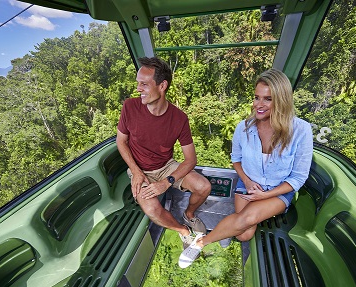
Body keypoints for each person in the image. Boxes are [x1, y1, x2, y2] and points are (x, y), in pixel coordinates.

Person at [178, 68, 313, 268]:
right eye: (256, 97)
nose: (259, 105)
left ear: (281, 100)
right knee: (245, 233)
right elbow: (236, 160)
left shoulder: (301, 130)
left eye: (267, 99)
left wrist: (264, 197)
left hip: (278, 191)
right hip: (248, 183)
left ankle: (201, 242)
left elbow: (298, 179)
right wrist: (248, 182)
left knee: (247, 218)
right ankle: (234, 227)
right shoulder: (244, 127)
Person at [116, 56, 212, 249]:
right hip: (139, 169)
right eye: (138, 83)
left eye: (144, 84)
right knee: (152, 208)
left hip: (166, 167)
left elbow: (190, 159)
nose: (138, 89)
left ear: (162, 86)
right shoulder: (130, 107)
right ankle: (183, 231)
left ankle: (189, 215)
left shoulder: (179, 118)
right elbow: (121, 141)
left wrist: (166, 182)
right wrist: (136, 172)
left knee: (203, 187)